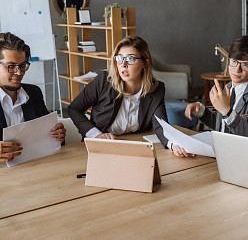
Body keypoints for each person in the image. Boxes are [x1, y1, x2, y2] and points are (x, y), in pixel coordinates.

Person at [68, 35, 185, 156]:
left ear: (145, 63)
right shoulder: (103, 81)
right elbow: (74, 109)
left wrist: (173, 144)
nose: (123, 64)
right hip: (101, 148)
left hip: (136, 148)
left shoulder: (156, 89)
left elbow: (161, 125)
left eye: (130, 59)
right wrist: (96, 135)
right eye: (120, 58)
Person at [183, 35, 248, 157]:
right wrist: (200, 110)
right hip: (220, 153)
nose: (236, 69)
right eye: (233, 61)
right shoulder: (228, 87)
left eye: (245, 65)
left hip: (242, 157)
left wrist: (226, 111)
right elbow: (222, 126)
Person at [0, 32, 66, 163]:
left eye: (23, 66)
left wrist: (59, 135)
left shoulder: (34, 93)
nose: (19, 73)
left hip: (34, 168)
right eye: (11, 66)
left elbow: (49, 139)